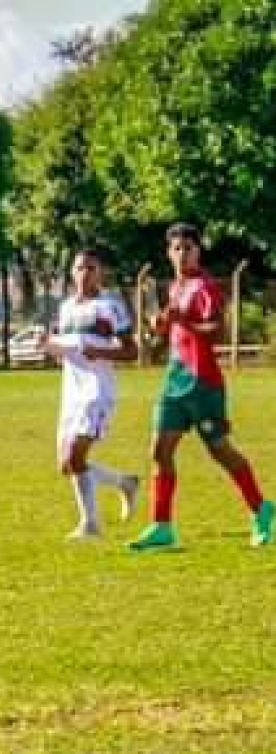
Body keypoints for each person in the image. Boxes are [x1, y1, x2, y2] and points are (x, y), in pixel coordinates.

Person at [129, 223, 274, 551]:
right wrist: (162, 326)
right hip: (174, 380)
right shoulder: (175, 288)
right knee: (159, 451)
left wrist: (184, 322)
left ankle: (262, 510)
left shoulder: (205, 286)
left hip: (203, 382)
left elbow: (217, 332)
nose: (182, 254)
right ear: (169, 253)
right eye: (176, 249)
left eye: (188, 248)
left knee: (220, 451)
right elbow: (175, 331)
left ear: (199, 251)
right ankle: (161, 526)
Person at [40, 248, 139, 540]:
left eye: (91, 268)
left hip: (97, 392)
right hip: (70, 393)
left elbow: (131, 350)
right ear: (72, 272)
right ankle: (125, 483)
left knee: (75, 455)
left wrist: (99, 351)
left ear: (101, 273)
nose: (85, 274)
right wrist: (47, 344)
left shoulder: (110, 306)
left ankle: (90, 525)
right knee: (66, 465)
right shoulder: (66, 307)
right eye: (80, 268)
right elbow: (67, 348)